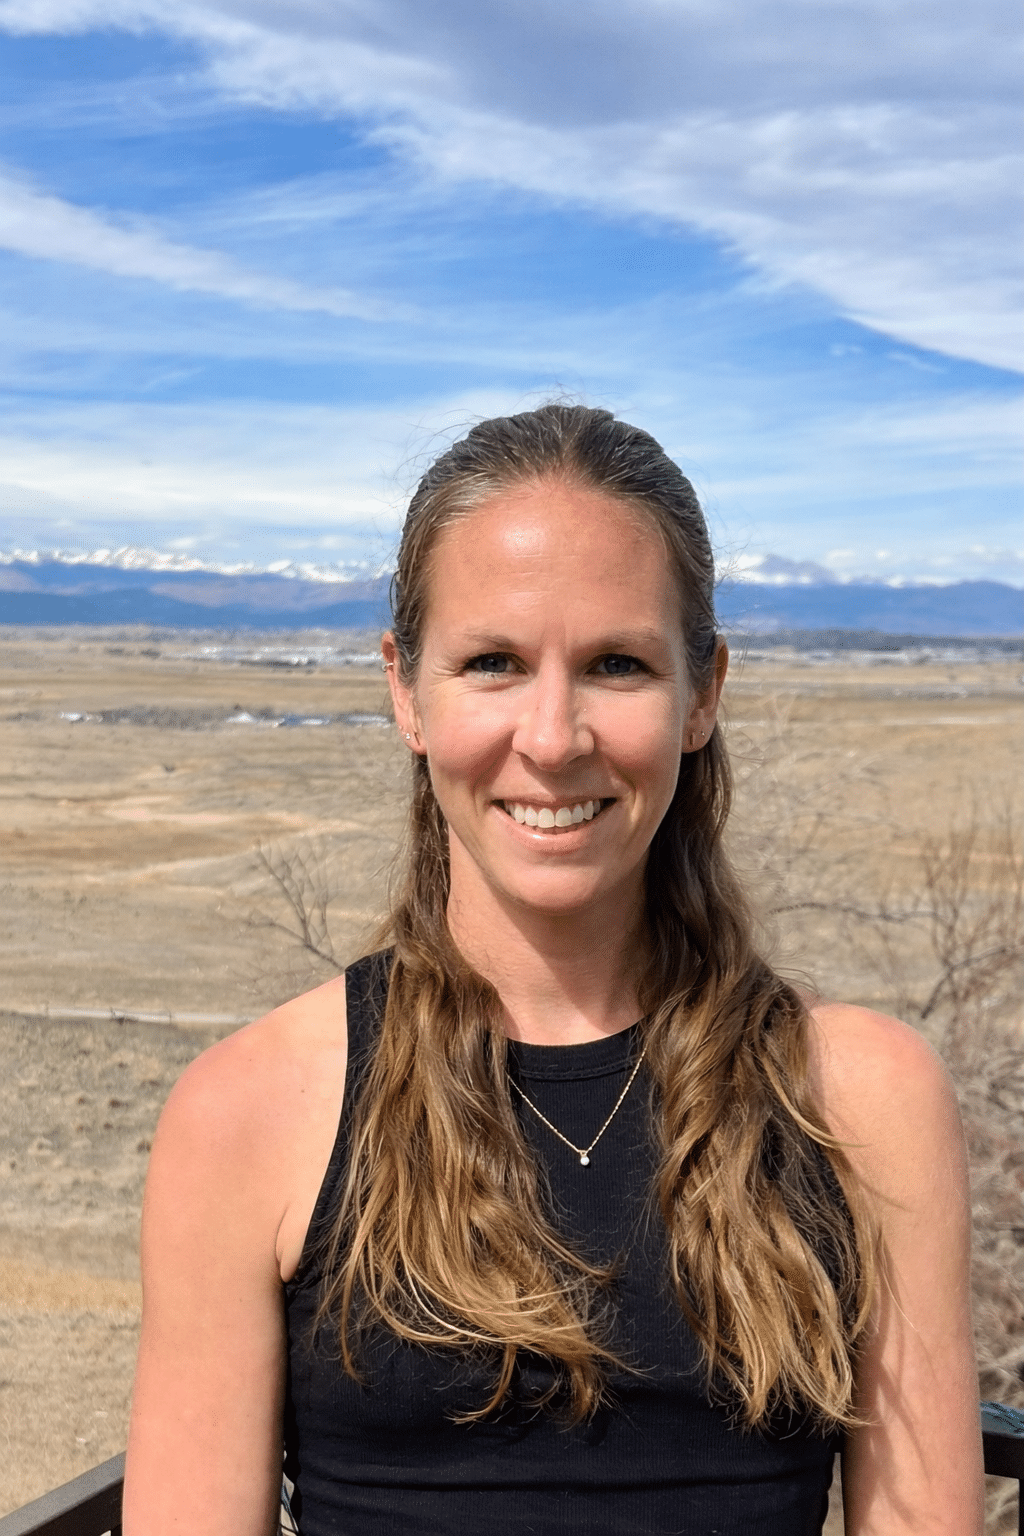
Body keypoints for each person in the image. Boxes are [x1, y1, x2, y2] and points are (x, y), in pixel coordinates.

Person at [123, 404, 983, 1534]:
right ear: (405, 693)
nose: (552, 735)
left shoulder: (859, 1100)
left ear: (702, 694)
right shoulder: (249, 1112)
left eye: (617, 664)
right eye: (492, 663)